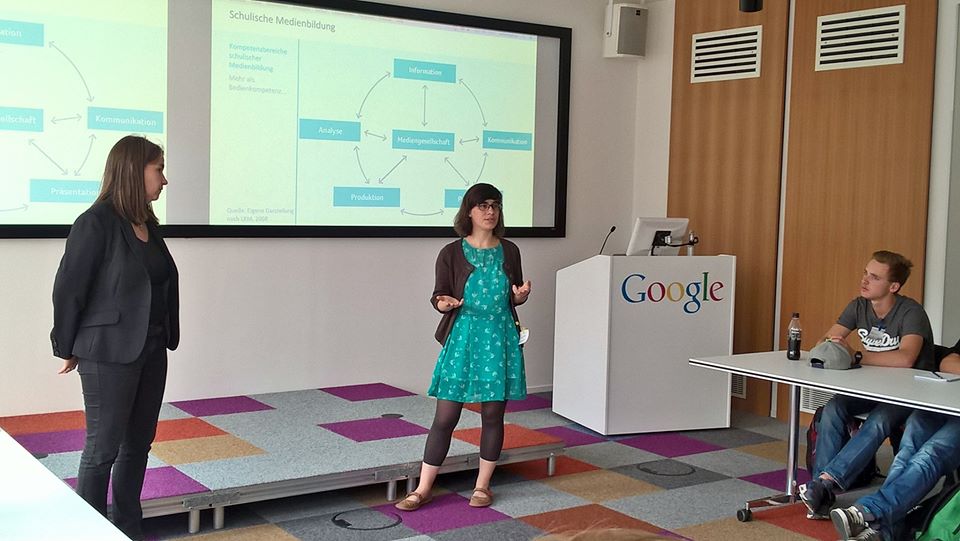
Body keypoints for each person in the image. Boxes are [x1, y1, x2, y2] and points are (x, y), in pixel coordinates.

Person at [50, 135, 179, 540]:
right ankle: (88, 532)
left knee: (137, 445)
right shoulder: (95, 222)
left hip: (152, 349)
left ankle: (127, 528)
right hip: (107, 352)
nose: (164, 180)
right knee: (102, 448)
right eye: (159, 169)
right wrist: (66, 346)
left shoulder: (147, 224)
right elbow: (69, 288)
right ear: (134, 171)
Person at [395, 183, 531, 511]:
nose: (490, 211)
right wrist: (443, 304)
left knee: (493, 415)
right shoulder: (451, 252)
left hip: (499, 337)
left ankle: (482, 486)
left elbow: (512, 296)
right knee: (445, 417)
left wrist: (520, 297)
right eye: (483, 205)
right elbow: (439, 295)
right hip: (463, 337)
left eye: (495, 205)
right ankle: (423, 488)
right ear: (468, 211)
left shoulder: (510, 250)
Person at [799, 251, 935, 520]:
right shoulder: (858, 306)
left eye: (874, 277)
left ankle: (825, 484)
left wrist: (856, 355)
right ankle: (820, 491)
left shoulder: (911, 312)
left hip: (911, 392)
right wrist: (833, 346)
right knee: (834, 407)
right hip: (874, 387)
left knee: (880, 419)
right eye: (865, 273)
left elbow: (906, 358)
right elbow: (826, 342)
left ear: (893, 286)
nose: (865, 280)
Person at [830, 343, 960, 541]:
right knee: (908, 448)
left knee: (931, 452)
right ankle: (884, 528)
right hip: (948, 403)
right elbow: (948, 362)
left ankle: (871, 511)